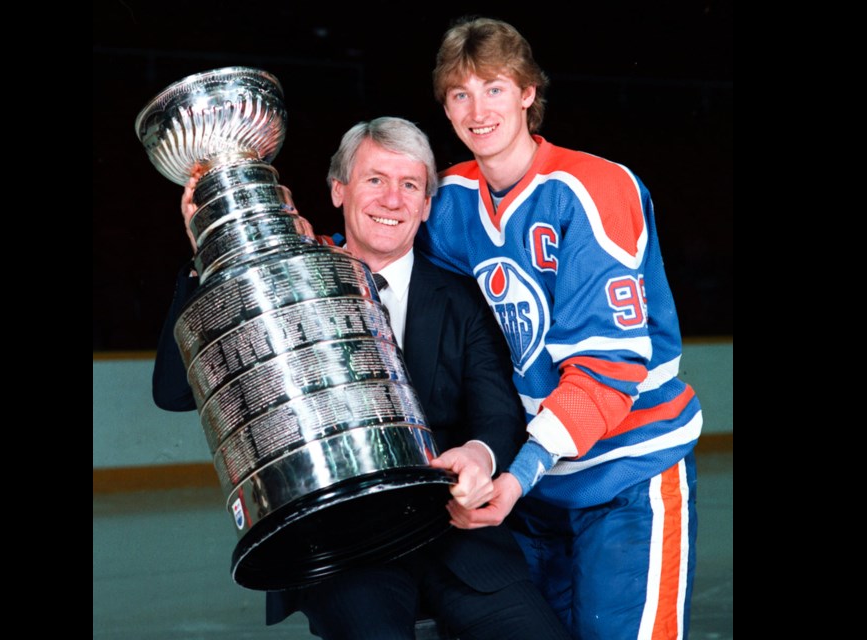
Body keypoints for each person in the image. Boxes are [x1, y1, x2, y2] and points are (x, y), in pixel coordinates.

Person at [153, 116, 570, 640]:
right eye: (375, 179)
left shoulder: (464, 298)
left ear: (425, 205)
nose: (392, 200)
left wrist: (480, 454)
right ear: (338, 190)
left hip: (458, 538)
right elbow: (173, 392)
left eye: (410, 185)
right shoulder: (282, 286)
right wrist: (209, 255)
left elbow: (497, 412)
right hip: (344, 547)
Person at [415, 17, 704, 640]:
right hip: (535, 489)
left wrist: (519, 473)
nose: (477, 108)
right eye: (459, 93)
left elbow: (610, 366)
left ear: (526, 93)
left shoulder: (592, 187)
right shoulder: (451, 199)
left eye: (494, 88)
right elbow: (389, 257)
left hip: (627, 472)